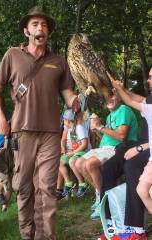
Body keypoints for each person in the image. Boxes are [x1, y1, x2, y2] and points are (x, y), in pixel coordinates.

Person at [0, 6, 78, 240]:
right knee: (24, 186)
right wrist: (0, 117)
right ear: (26, 30)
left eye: (45, 25)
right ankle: (27, 235)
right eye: (36, 24)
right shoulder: (13, 55)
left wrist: (75, 101)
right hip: (21, 132)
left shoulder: (58, 61)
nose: (41, 28)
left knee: (47, 188)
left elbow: (67, 92)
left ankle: (45, 237)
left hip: (50, 133)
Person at [98, 69, 152, 240]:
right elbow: (133, 98)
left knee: (131, 165)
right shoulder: (150, 98)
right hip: (140, 144)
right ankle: (110, 222)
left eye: (151, 77)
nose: (148, 81)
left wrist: (139, 149)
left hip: (147, 147)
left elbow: (129, 100)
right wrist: (120, 89)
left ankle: (136, 228)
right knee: (108, 168)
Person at [75, 92, 138, 219]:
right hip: (104, 148)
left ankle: (105, 202)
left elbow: (121, 136)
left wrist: (100, 126)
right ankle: (102, 195)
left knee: (90, 164)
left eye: (112, 95)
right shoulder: (110, 116)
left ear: (119, 96)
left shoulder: (123, 109)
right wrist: (98, 128)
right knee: (78, 163)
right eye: (106, 96)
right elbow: (107, 133)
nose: (109, 99)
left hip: (119, 148)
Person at [59, 109, 90, 198]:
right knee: (60, 161)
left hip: (83, 151)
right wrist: (64, 150)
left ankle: (82, 183)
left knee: (72, 161)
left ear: (68, 121)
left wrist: (72, 153)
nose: (63, 122)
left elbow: (84, 144)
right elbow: (63, 140)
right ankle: (68, 183)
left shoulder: (79, 128)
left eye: (64, 120)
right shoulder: (68, 129)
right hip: (74, 152)